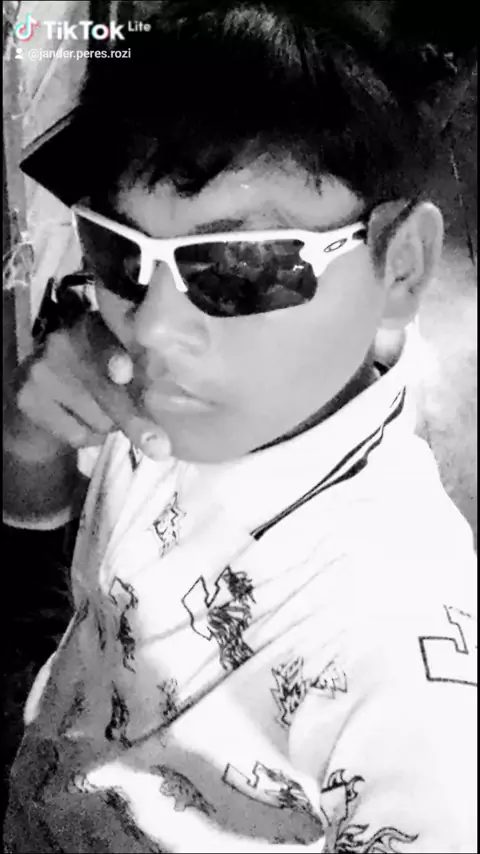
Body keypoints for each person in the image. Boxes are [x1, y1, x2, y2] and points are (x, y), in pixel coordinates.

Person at [3, 3, 477, 851]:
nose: (153, 326)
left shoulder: (400, 626)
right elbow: (61, 572)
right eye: (119, 251)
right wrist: (30, 438)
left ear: (401, 266)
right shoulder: (136, 378)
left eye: (239, 268)